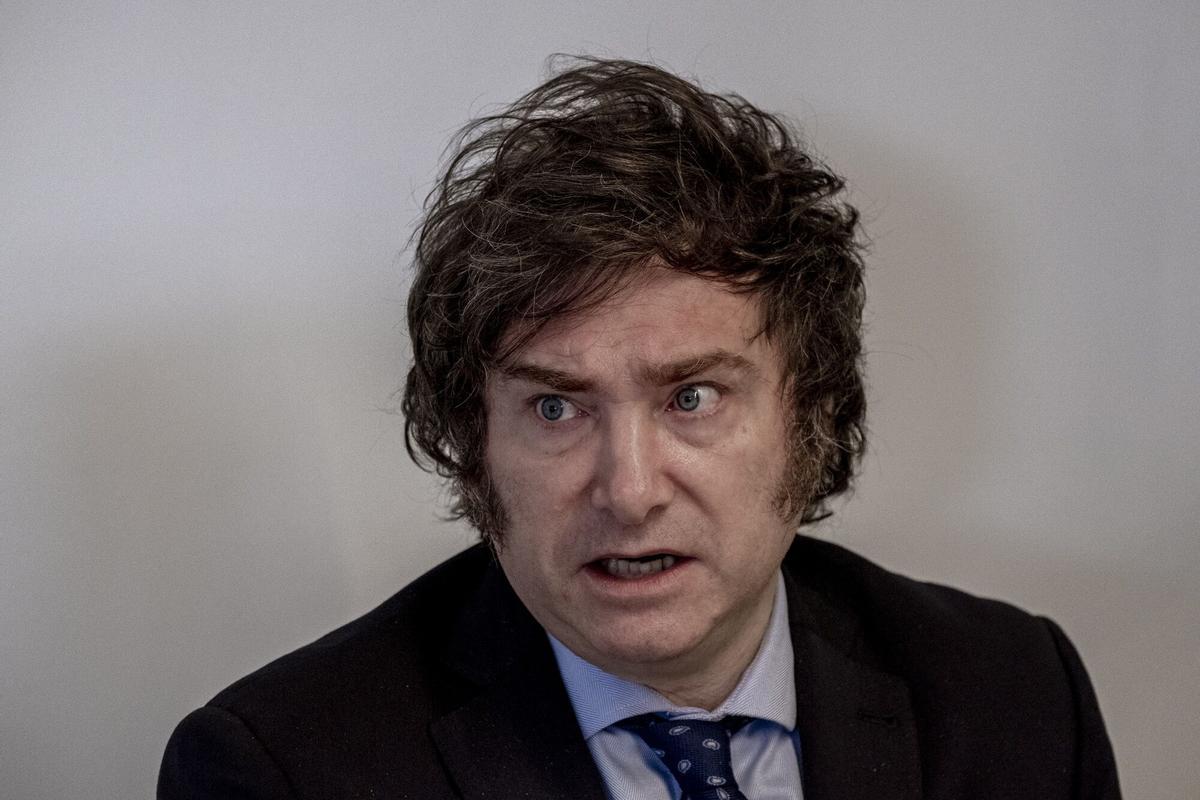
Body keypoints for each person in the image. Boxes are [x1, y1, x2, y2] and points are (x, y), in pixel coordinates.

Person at [158, 57, 1121, 799]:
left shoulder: (1015, 694)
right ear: (474, 443)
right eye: (555, 407)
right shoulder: (282, 771)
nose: (629, 490)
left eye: (691, 398)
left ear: (811, 416)